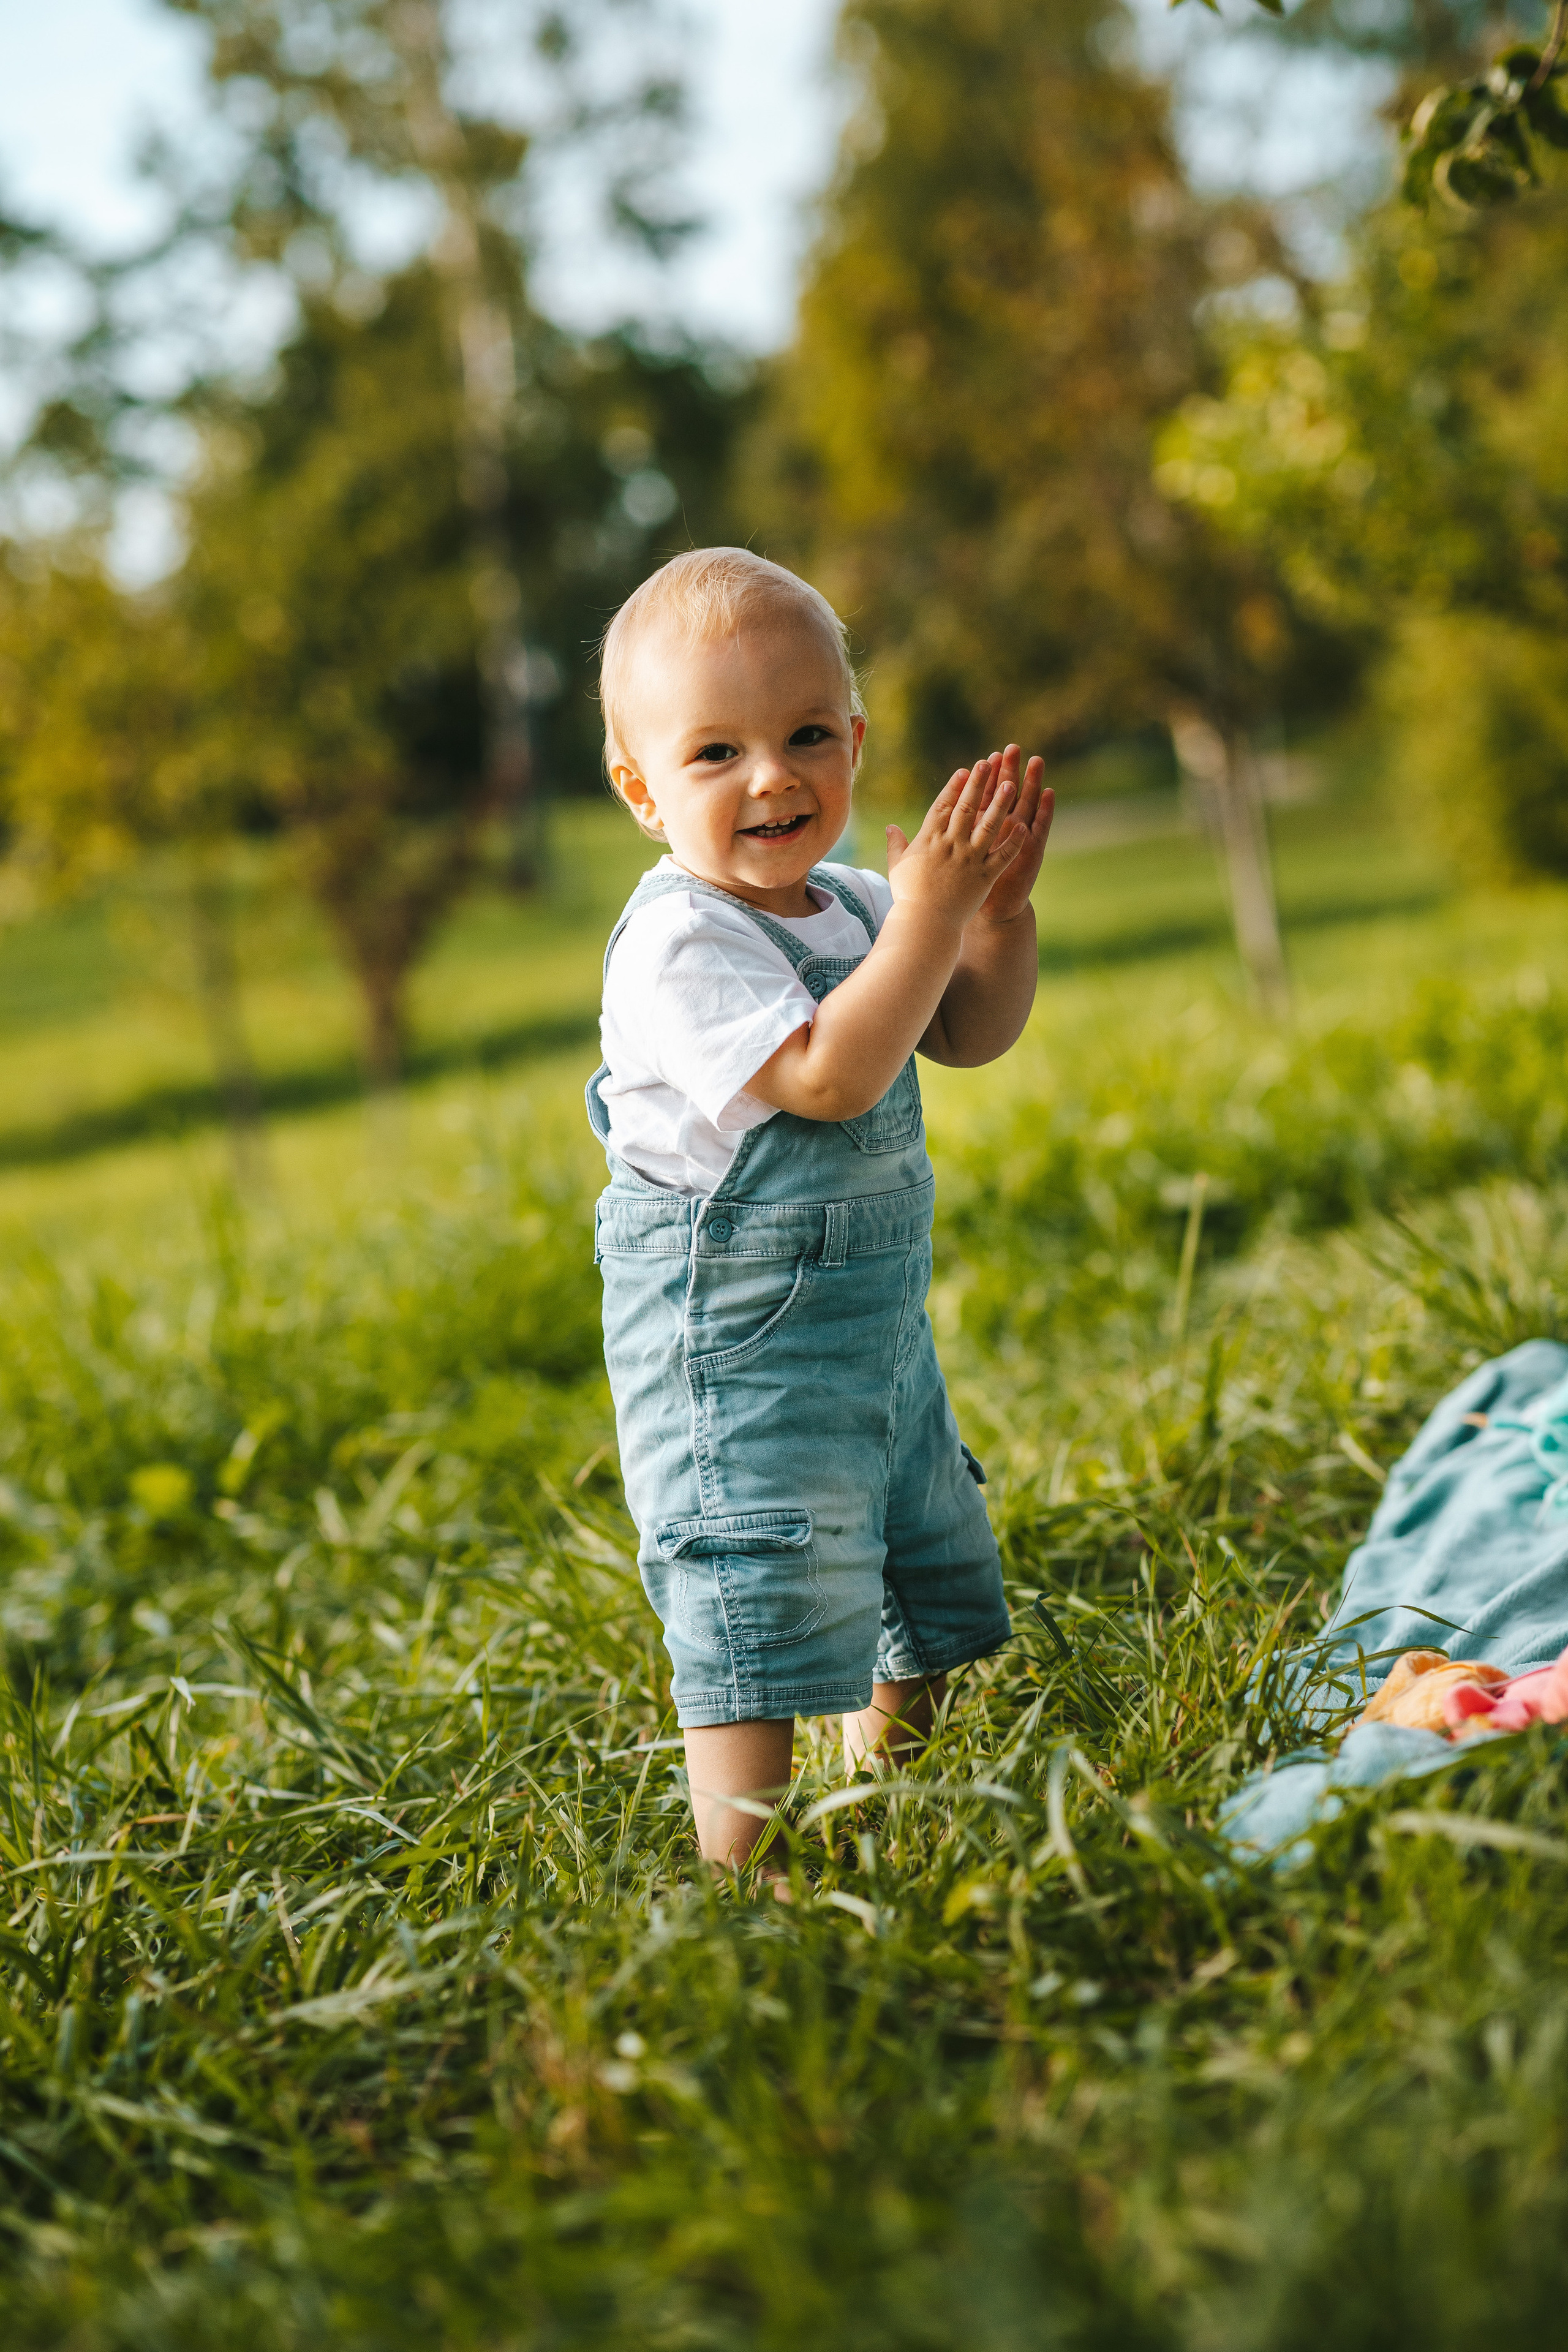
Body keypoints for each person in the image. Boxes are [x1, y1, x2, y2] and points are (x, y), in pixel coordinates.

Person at [585, 547, 1054, 1874]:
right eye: (714, 752)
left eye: (802, 736)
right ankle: (743, 1872)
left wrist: (990, 922)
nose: (771, 777)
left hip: (867, 1330)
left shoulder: (856, 905)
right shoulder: (682, 942)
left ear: (852, 741)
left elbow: (963, 1032)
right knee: (760, 1577)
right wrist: (929, 913)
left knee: (913, 1542)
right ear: (641, 790)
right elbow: (831, 1076)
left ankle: (890, 1778)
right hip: (735, 1349)